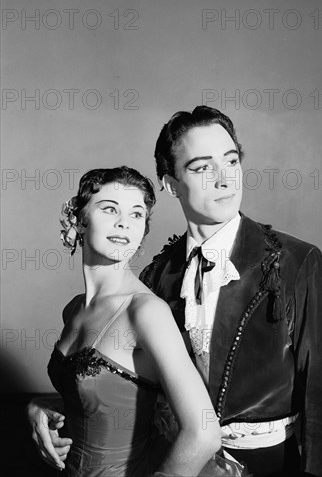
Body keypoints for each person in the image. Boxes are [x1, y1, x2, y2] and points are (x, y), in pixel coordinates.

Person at [30, 107, 322, 476]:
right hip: (174, 457)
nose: (224, 180)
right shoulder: (158, 274)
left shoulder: (297, 262)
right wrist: (46, 405)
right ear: (170, 184)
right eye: (202, 167)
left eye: (231, 161)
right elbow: (124, 387)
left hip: (270, 466)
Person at [32, 166, 222, 476]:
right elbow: (103, 400)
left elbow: (204, 432)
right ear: (78, 220)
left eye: (136, 214)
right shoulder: (74, 309)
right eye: (109, 209)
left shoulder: (146, 312)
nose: (124, 222)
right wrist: (39, 405)